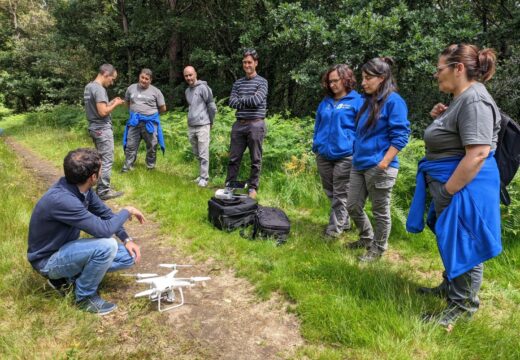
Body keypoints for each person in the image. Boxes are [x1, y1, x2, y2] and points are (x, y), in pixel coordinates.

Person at [406, 44, 502, 327]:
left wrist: (449, 190)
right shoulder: (462, 100)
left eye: (439, 69)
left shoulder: (474, 100)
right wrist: (441, 120)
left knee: (465, 241)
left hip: (463, 187)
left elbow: (478, 153)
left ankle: (462, 308)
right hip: (452, 182)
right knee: (451, 236)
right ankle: (452, 288)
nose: (436, 75)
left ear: (458, 68)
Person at [27, 148, 146, 315]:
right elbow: (104, 230)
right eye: (101, 169)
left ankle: (69, 278)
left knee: (129, 256)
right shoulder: (63, 200)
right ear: (93, 177)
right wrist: (127, 210)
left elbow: (105, 214)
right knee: (107, 246)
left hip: (67, 249)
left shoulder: (82, 189)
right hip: (48, 261)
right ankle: (84, 297)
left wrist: (127, 239)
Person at [345, 57, 410, 262]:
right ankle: (367, 237)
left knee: (380, 211)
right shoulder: (368, 101)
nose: (363, 82)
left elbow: (400, 136)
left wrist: (383, 162)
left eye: (367, 78)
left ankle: (378, 249)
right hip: (360, 164)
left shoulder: (394, 101)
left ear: (382, 78)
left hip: (380, 166)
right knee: (352, 205)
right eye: (362, 78)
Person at [312, 64, 363, 238]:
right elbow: (318, 124)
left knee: (341, 194)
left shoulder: (357, 102)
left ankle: (333, 232)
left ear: (346, 80)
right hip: (323, 154)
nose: (332, 84)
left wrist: (355, 149)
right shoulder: (325, 102)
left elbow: (362, 129)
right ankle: (344, 222)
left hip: (345, 156)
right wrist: (316, 145)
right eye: (330, 81)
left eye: (336, 81)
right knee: (330, 191)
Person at [225, 48, 268, 199]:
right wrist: (247, 100)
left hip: (256, 124)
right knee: (233, 158)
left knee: (255, 159)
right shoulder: (238, 83)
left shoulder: (262, 82)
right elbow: (231, 102)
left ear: (256, 63)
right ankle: (230, 186)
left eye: (249, 62)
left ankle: (253, 188)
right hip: (239, 125)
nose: (246, 65)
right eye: (244, 62)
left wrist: (241, 101)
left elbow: (257, 101)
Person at [83, 64, 125, 200]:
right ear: (105, 74)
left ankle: (100, 186)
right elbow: (102, 112)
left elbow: (98, 107)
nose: (111, 82)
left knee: (100, 159)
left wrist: (111, 102)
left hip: (94, 127)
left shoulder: (89, 87)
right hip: (102, 129)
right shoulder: (99, 89)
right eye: (112, 79)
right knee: (107, 160)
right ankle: (104, 191)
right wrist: (116, 104)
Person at [122, 68, 167, 172]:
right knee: (130, 145)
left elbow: (163, 108)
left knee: (152, 145)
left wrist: (151, 116)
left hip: (150, 122)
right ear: (139, 77)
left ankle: (150, 167)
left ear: (150, 80)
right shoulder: (131, 88)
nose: (143, 80)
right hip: (134, 122)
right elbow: (127, 102)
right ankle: (128, 167)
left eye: (146, 79)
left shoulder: (156, 91)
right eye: (142, 77)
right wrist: (134, 113)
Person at [183, 65, 217, 187]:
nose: (188, 78)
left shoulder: (204, 88)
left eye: (190, 75)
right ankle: (201, 175)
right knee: (196, 152)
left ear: (195, 74)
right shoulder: (187, 91)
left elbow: (211, 106)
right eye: (186, 76)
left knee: (203, 153)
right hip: (191, 126)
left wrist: (211, 121)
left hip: (203, 125)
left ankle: (205, 178)